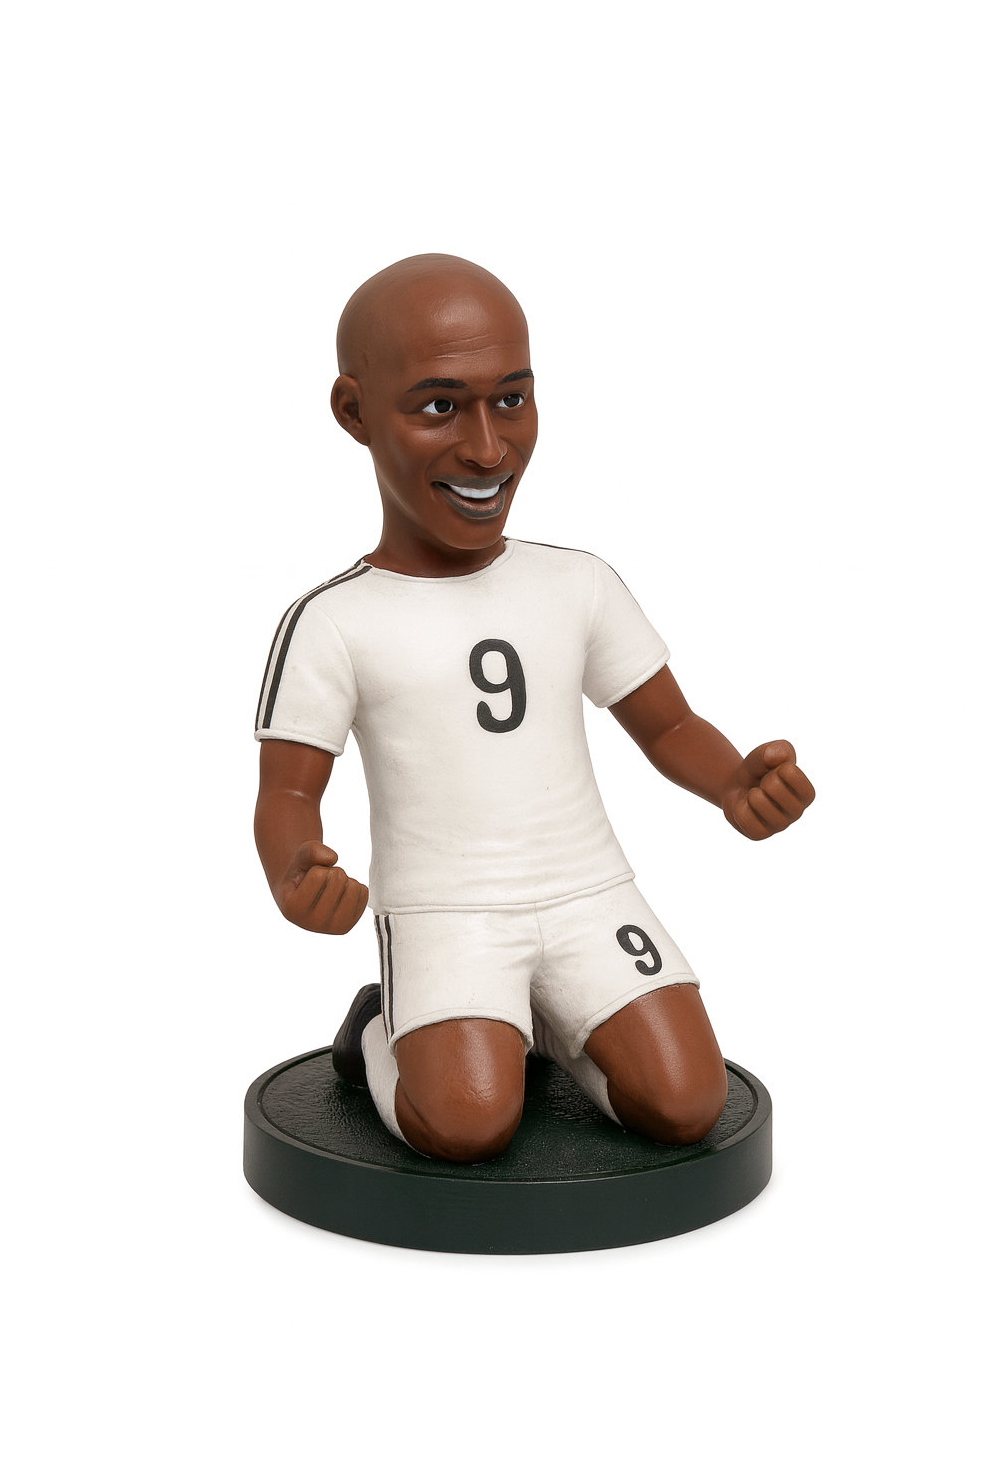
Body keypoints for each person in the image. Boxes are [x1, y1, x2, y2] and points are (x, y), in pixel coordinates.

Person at [253, 253, 814, 1163]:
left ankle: (547, 1022)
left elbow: (668, 724)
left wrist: (733, 782)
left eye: (510, 399)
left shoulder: (576, 584)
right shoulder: (335, 621)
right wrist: (293, 873)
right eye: (440, 407)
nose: (487, 449)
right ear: (354, 412)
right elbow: (287, 791)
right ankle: (379, 1033)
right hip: (445, 910)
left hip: (589, 890)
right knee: (466, 1123)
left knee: (686, 1104)